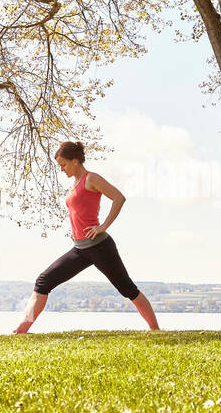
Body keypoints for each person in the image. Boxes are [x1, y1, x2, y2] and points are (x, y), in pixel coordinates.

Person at [14, 140, 160, 333]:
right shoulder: (74, 184)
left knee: (127, 289)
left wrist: (103, 226)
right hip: (80, 249)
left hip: (99, 246)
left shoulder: (91, 179)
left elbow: (119, 197)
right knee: (43, 281)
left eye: (64, 165)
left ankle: (155, 330)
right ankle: (21, 331)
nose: (62, 169)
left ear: (75, 161)